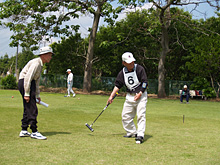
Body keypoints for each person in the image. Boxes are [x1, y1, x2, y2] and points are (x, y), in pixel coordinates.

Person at [107, 52, 148, 144]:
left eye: (132, 62)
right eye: (129, 63)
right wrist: (111, 96)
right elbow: (118, 85)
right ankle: (132, 132)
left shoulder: (140, 69)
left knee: (141, 115)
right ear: (124, 63)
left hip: (141, 95)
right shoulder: (122, 73)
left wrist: (140, 92)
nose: (131, 64)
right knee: (125, 116)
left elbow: (145, 82)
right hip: (130, 96)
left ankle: (140, 135)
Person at [18, 46, 53, 140]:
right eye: (49, 55)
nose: (51, 57)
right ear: (44, 55)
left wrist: (37, 95)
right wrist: (27, 93)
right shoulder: (36, 63)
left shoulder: (40, 64)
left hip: (29, 83)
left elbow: (36, 81)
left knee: (28, 107)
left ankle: (24, 130)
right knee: (32, 108)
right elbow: (28, 78)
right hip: (25, 83)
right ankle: (34, 131)